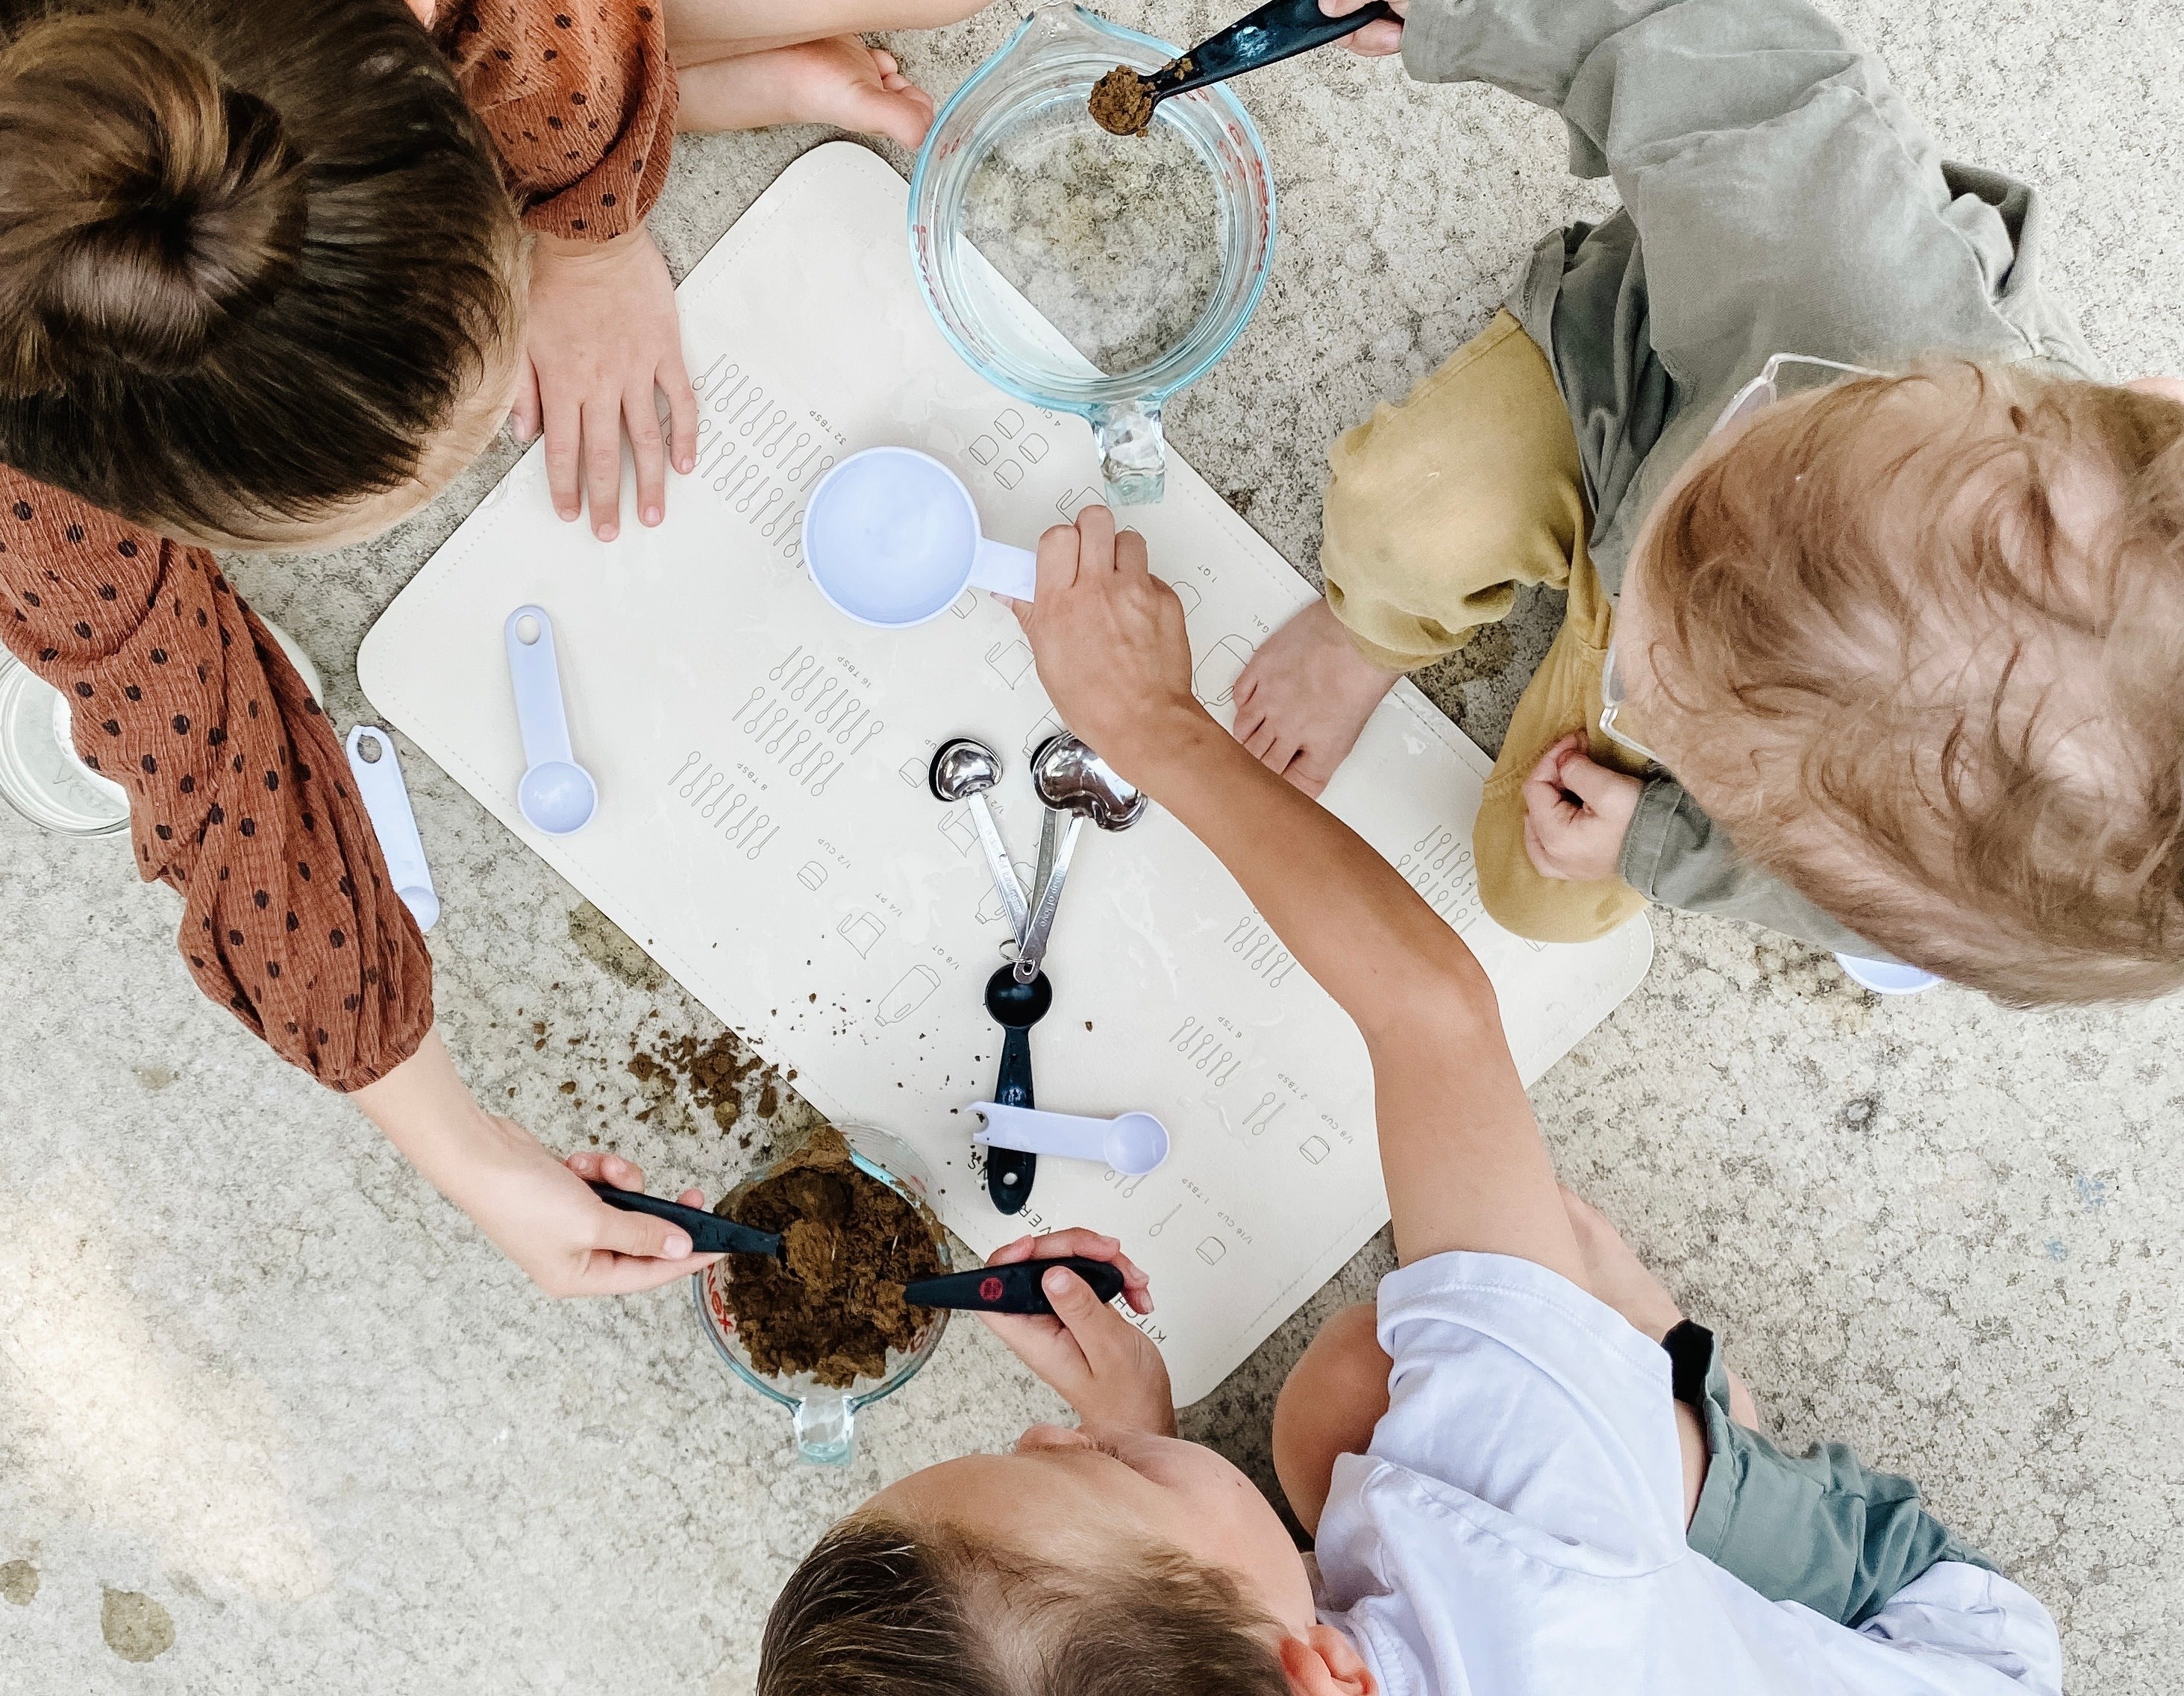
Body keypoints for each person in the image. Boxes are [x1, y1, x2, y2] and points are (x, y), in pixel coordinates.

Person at [755, 508, 2062, 1696]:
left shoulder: (1349, 1644)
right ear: (1328, 1671)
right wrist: (1153, 721)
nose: (1050, 1428)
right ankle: (1671, 1415)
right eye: (1083, 1462)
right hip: (1922, 1641)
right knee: (1400, 1372)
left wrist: (1140, 1448)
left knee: (1332, 1432)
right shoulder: (1532, 1534)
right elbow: (1431, 1014)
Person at [0, 0, 983, 1297]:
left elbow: (546, 39)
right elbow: (203, 757)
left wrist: (591, 230)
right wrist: (462, 1148)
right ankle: (675, 70)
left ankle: (662, 73)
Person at [1229, 0, 2184, 1004]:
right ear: (2144, 393)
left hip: (1702, 691)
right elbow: (1689, 47)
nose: (1653, 617)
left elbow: (1818, 889)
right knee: (1398, 523)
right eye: (1762, 455)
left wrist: (1662, 841)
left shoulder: (1960, 884)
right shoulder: (1853, 266)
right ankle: (1367, 637)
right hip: (1623, 386)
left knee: (1541, 894)